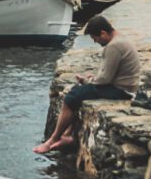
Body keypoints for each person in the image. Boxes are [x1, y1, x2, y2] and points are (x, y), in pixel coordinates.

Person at [33, 14, 140, 153]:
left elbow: (104, 80)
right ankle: (67, 136)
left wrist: (87, 80)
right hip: (126, 87)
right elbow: (109, 73)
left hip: (120, 90)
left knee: (71, 96)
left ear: (103, 32)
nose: (95, 42)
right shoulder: (120, 39)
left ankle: (53, 139)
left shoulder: (113, 46)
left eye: (94, 38)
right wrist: (94, 78)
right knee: (79, 93)